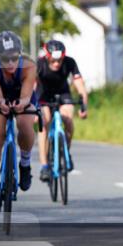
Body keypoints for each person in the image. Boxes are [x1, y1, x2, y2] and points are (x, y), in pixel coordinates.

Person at [0, 31, 38, 212]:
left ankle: (25, 165)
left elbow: (27, 94)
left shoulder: (29, 66)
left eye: (14, 57)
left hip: (23, 97)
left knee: (24, 124)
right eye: (5, 59)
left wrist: (22, 103)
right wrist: (1, 104)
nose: (11, 63)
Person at [36, 39, 89, 183]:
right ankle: (45, 165)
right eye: (53, 60)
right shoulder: (39, 64)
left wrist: (84, 105)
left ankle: (65, 153)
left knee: (68, 120)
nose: (57, 64)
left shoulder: (70, 62)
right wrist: (32, 107)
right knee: (44, 123)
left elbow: (79, 84)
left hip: (63, 94)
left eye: (59, 60)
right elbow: (31, 85)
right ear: (47, 57)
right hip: (43, 95)